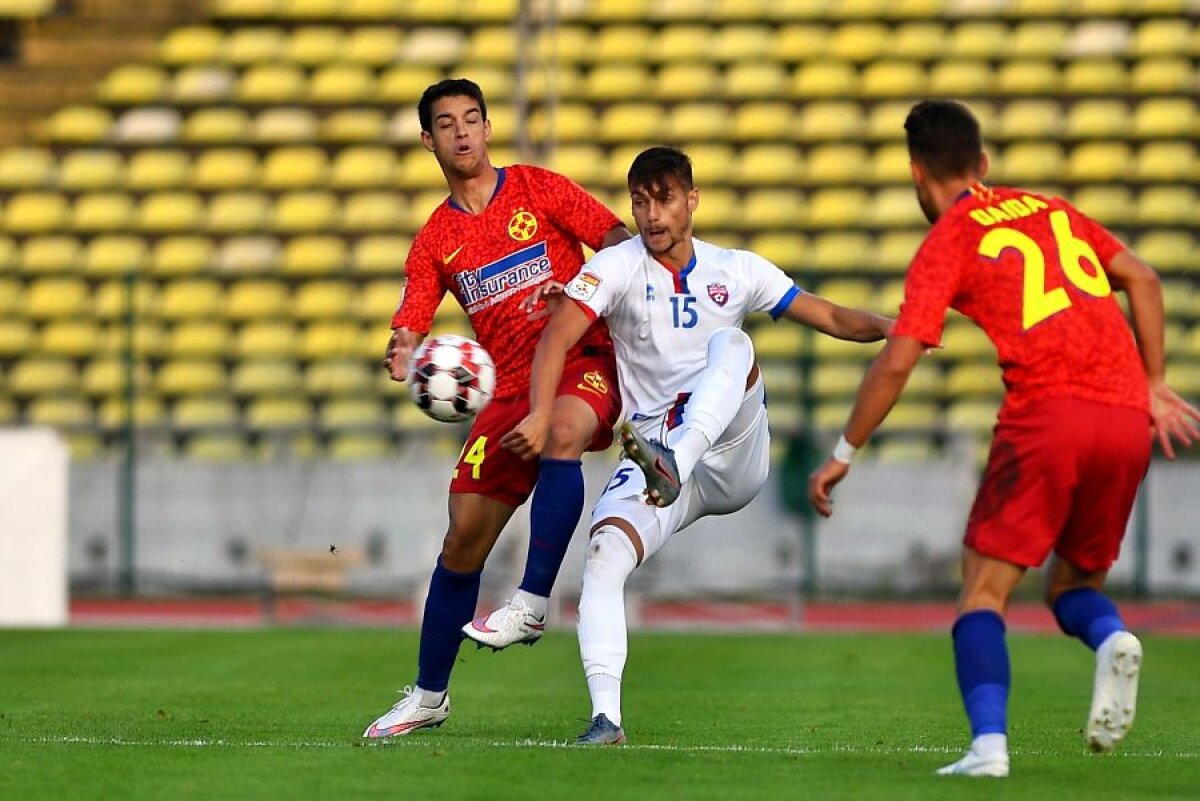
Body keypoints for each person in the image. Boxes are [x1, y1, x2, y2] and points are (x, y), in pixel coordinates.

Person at [808, 100, 1200, 777]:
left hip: (1050, 416)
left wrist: (842, 452)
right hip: (1127, 418)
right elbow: (1143, 276)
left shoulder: (950, 240)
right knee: (1070, 585)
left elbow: (899, 358)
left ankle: (988, 745)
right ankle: (1112, 638)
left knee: (983, 591)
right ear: (982, 164)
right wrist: (1156, 381)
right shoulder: (1051, 209)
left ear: (915, 174)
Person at [501, 145, 893, 745]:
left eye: (664, 199)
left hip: (731, 454)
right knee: (603, 557)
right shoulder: (617, 266)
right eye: (639, 201)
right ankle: (607, 718)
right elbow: (558, 335)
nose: (652, 215)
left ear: (692, 200)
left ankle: (673, 464)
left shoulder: (737, 270)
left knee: (733, 348)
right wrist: (541, 411)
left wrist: (898, 329)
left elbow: (836, 319)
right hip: (653, 451)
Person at [363, 78, 630, 738]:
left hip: (581, 358)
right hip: (506, 388)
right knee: (461, 539)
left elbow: (621, 241)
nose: (462, 132)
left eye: (472, 119)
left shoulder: (539, 188)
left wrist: (580, 290)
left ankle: (533, 602)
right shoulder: (435, 239)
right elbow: (412, 318)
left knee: (562, 430)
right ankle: (428, 695)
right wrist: (404, 349)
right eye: (447, 123)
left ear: (487, 127)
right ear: (428, 139)